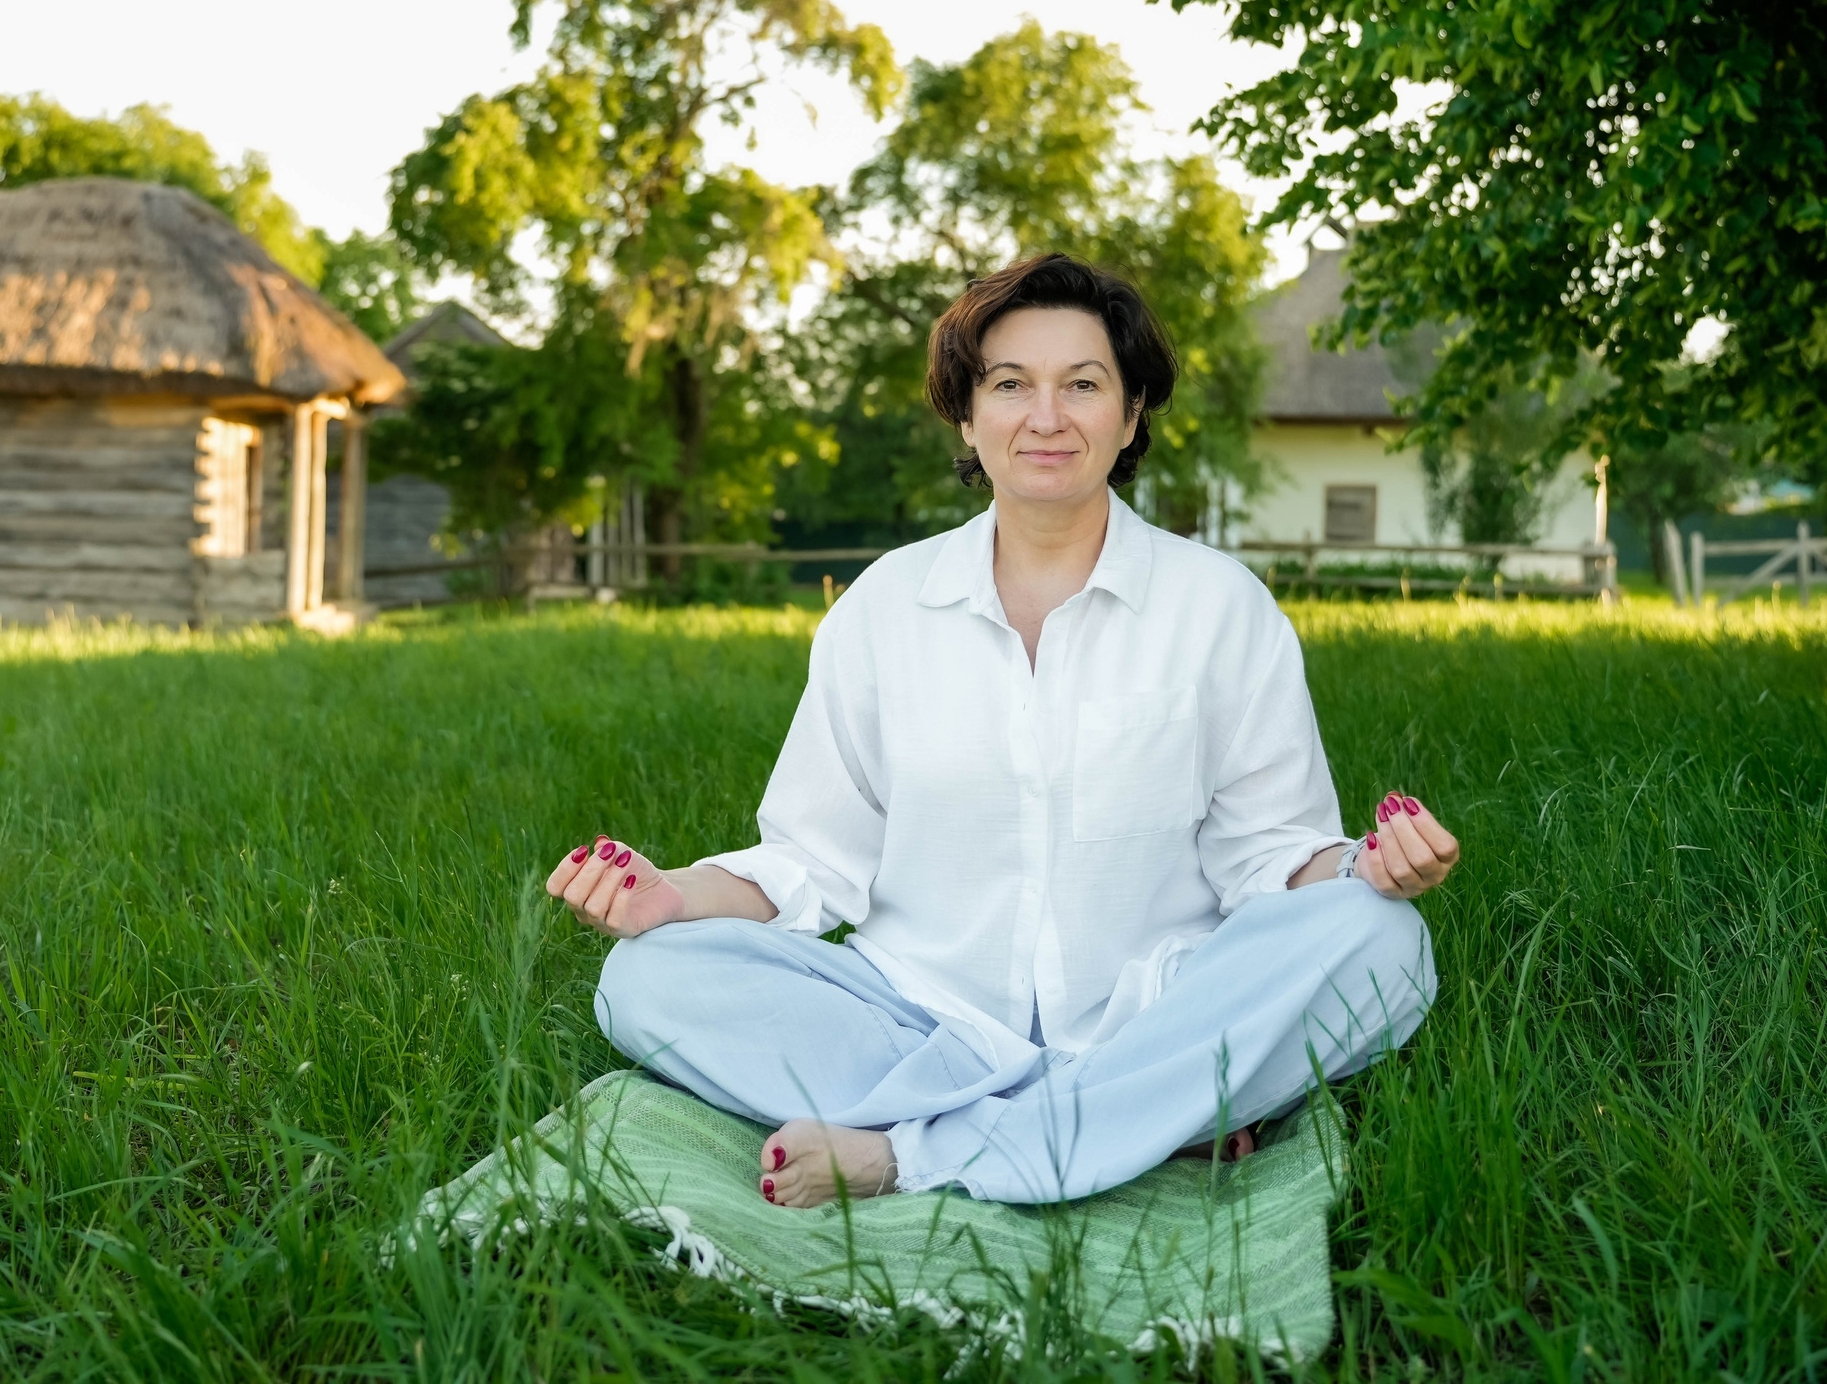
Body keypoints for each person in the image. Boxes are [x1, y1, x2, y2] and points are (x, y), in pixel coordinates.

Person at [544, 253, 1458, 1208]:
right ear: (968, 416)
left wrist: (1363, 866)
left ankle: (909, 1153)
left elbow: (1269, 854)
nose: (1046, 416)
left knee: (1381, 939)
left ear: (1132, 414)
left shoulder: (1221, 607)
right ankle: (1147, 1122)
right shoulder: (884, 607)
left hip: (1160, 1018)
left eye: (1084, 385)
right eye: (1011, 384)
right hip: (916, 1023)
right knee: (646, 977)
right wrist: (671, 894)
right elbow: (810, 860)